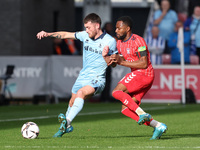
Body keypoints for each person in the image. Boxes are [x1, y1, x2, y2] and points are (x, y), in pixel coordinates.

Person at [37, 13, 117, 137]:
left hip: (97, 79)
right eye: (85, 27)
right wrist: (48, 34)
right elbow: (65, 35)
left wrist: (107, 58)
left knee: (80, 93)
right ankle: (64, 128)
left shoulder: (110, 41)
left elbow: (114, 64)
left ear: (97, 26)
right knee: (72, 102)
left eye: (89, 27)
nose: (86, 30)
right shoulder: (84, 35)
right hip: (82, 76)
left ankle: (67, 122)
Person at [107, 16, 167, 140]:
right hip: (140, 76)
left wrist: (121, 62)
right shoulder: (119, 43)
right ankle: (158, 125)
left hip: (144, 73)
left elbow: (143, 63)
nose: (116, 30)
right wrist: (112, 60)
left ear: (127, 28)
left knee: (116, 92)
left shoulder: (138, 41)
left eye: (119, 28)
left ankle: (143, 114)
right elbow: (119, 61)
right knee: (125, 109)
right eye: (116, 28)